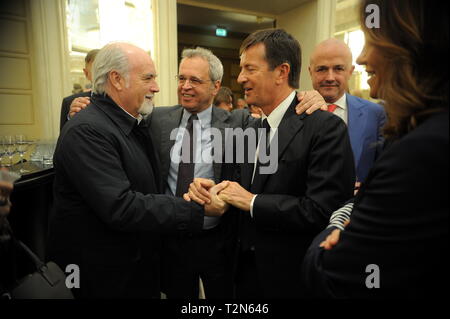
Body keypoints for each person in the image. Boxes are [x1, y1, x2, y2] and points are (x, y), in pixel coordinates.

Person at [186, 29, 355, 298]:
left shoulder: (325, 128)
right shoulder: (249, 127)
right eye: (241, 69)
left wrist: (252, 201)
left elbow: (323, 210)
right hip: (241, 278)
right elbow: (236, 188)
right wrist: (214, 194)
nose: (240, 78)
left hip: (290, 279)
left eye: (250, 69)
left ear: (281, 72)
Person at [149, 47, 328, 299]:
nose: (185, 86)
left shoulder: (238, 122)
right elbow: (118, 114)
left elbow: (280, 119)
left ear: (215, 86)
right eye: (181, 78)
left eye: (195, 80)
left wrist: (309, 97)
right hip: (168, 237)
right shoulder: (156, 119)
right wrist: (75, 104)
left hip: (217, 239)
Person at [47, 42, 219, 299]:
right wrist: (197, 209)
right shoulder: (88, 131)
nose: (157, 87)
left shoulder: (130, 123)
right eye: (148, 78)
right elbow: (121, 206)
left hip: (131, 269)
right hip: (103, 277)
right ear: (116, 79)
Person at [301, 0, 448, 298]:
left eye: (373, 40)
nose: (366, 56)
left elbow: (331, 273)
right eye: (322, 69)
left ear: (407, 46)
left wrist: (340, 228)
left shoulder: (420, 148)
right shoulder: (298, 114)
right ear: (310, 71)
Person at [309, 38, 386, 183]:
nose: (330, 77)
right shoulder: (295, 112)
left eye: (338, 69)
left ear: (350, 72)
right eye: (322, 69)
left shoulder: (375, 114)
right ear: (310, 72)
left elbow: (386, 168)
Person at [59, 49, 99, 131]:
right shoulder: (69, 102)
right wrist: (71, 118)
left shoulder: (123, 100)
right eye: (96, 71)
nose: (101, 76)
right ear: (87, 74)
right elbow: (64, 139)